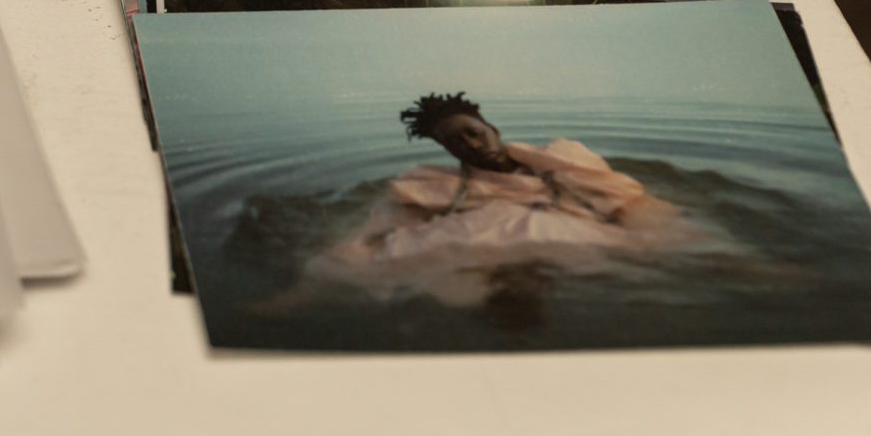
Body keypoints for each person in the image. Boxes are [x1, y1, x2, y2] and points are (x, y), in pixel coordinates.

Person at [290, 92, 691, 311]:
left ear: (492, 128)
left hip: (563, 233)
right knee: (347, 261)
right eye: (454, 141)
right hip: (476, 244)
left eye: (473, 132)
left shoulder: (560, 162)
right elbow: (383, 226)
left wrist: (654, 236)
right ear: (446, 150)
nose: (470, 144)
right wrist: (341, 257)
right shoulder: (433, 184)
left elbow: (626, 199)